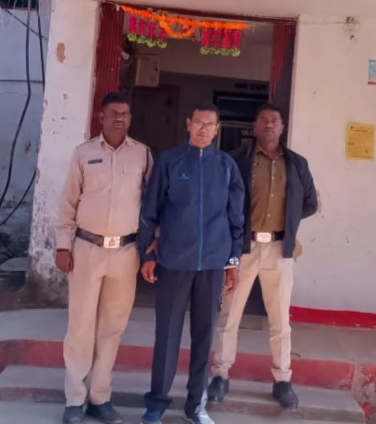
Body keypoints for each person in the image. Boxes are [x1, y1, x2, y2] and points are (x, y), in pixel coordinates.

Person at [137, 104, 245, 424]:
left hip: (212, 265)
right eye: (198, 123)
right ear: (188, 124)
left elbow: (236, 217)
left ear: (217, 129)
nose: (203, 129)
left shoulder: (226, 166)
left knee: (203, 337)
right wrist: (147, 253)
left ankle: (196, 406)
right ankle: (156, 405)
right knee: (166, 335)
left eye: (209, 124)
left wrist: (232, 261)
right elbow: (150, 211)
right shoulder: (170, 161)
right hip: (174, 262)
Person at [207, 103, 318, 409]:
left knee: (280, 319)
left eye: (274, 121)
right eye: (263, 120)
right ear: (254, 127)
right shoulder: (236, 160)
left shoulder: (297, 164)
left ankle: (283, 380)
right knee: (229, 315)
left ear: (282, 127)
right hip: (243, 249)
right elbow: (221, 201)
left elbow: (309, 203)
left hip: (279, 250)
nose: (269, 125)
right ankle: (220, 375)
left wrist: (289, 221)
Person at [55, 92, 153, 424]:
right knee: (80, 326)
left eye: (124, 113)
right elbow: (68, 203)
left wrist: (150, 248)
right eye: (113, 113)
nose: (119, 118)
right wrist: (62, 246)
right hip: (86, 249)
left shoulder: (143, 155)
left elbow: (151, 206)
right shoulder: (83, 154)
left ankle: (100, 397)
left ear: (130, 118)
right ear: (101, 116)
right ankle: (74, 400)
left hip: (125, 253)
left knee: (112, 329)